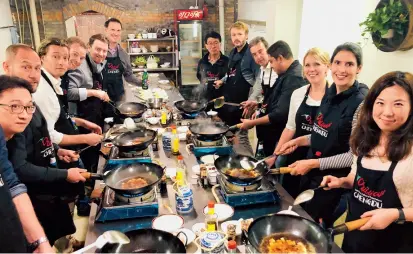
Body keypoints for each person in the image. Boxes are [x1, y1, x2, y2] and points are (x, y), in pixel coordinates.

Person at [3, 44, 87, 246]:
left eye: (36, 68)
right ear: (6, 67)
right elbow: (19, 169)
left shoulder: (30, 101)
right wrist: (66, 174)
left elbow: (42, 137)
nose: (33, 74)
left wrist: (58, 151)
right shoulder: (9, 119)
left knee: (57, 236)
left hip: (48, 192)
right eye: (26, 67)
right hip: (33, 200)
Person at [321, 71, 413, 253]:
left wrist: (395, 214)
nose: (387, 112)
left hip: (394, 244)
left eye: (398, 104)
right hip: (355, 236)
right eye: (380, 103)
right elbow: (356, 176)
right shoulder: (364, 140)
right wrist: (342, 182)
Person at [279, 42, 369, 227]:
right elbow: (322, 133)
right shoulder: (330, 92)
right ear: (331, 65)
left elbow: (353, 157)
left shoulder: (360, 105)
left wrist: (313, 163)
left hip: (334, 182)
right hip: (313, 172)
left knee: (315, 229)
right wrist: (299, 141)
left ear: (359, 68)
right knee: (299, 220)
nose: (342, 69)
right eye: (338, 62)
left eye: (349, 64)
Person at [0, 75, 53, 253]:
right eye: (14, 106)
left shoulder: (8, 138)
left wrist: (40, 241)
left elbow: (13, 185)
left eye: (29, 107)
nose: (24, 114)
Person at [268, 47, 330, 198]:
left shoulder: (334, 96)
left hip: (321, 163)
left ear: (327, 67)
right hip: (295, 159)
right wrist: (275, 155)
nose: (311, 69)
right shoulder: (298, 94)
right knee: (288, 199)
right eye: (307, 65)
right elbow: (290, 128)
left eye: (317, 64)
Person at [33, 38, 102, 164]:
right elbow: (49, 134)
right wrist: (85, 138)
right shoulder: (43, 90)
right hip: (55, 154)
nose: (61, 62)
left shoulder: (54, 82)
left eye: (65, 58)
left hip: (64, 150)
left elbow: (58, 116)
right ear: (42, 58)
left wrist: (82, 123)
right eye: (55, 57)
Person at [239, 41, 306, 156]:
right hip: (270, 133)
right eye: (254, 54)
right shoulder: (285, 74)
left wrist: (252, 123)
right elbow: (275, 99)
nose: (271, 66)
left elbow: (280, 114)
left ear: (279, 58)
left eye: (271, 62)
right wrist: (258, 104)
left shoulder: (293, 78)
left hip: (280, 136)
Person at [213, 21, 261, 156]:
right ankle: (234, 162)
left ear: (246, 36)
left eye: (240, 34)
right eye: (233, 35)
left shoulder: (251, 54)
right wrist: (222, 81)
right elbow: (230, 73)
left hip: (243, 104)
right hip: (230, 103)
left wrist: (251, 100)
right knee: (231, 136)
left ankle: (250, 169)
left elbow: (259, 79)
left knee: (241, 139)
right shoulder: (233, 52)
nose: (236, 37)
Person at [68, 34, 110, 171]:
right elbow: (70, 92)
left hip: (93, 114)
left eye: (104, 51)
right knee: (86, 152)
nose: (101, 54)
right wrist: (95, 92)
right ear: (89, 48)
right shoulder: (80, 66)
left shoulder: (98, 63)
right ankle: (88, 178)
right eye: (98, 49)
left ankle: (92, 172)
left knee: (94, 149)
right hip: (81, 115)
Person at [104, 18, 140, 102]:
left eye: (118, 30)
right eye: (112, 30)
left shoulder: (124, 54)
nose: (116, 33)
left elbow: (128, 75)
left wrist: (141, 82)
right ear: (106, 30)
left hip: (120, 97)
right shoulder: (100, 52)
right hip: (101, 98)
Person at [241, 36, 277, 117]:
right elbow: (264, 96)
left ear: (268, 50)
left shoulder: (276, 70)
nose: (258, 57)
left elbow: (277, 101)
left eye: (260, 52)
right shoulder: (261, 70)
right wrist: (257, 107)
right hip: (264, 115)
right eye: (254, 54)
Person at [196, 31, 229, 101]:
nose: (213, 46)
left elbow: (230, 79)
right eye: (210, 43)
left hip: (221, 100)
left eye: (216, 43)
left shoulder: (228, 61)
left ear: (220, 44)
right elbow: (200, 77)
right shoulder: (202, 62)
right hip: (204, 99)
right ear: (206, 46)